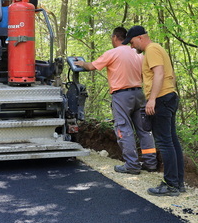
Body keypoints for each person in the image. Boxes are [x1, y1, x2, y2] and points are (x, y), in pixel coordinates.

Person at [74, 26, 157, 174]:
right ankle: (150, 163)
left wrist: (82, 64)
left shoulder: (113, 53)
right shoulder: (138, 54)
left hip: (121, 95)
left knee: (124, 129)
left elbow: (91, 66)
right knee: (144, 129)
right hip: (139, 93)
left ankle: (132, 165)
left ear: (114, 37)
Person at [124, 26, 185, 196]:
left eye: (132, 42)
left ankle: (171, 185)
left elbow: (159, 73)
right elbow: (169, 75)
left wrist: (152, 99)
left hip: (161, 99)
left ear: (140, 38)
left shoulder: (151, 49)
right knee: (172, 141)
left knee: (165, 143)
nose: (132, 46)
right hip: (168, 96)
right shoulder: (157, 49)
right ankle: (178, 183)